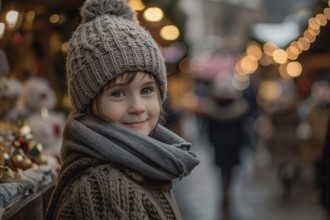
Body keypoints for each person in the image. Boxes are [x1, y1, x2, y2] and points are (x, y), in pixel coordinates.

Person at [45, 0, 200, 219]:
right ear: (88, 102)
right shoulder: (106, 188)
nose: (137, 107)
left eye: (147, 90)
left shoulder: (141, 163)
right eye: (118, 93)